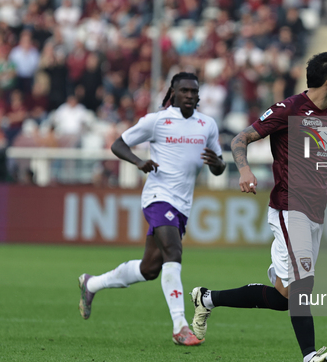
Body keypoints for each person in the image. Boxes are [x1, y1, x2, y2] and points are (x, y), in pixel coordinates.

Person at [189, 52, 327, 362]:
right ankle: (309, 358)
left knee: (282, 298)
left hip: (315, 212)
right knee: (304, 283)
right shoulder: (288, 109)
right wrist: (244, 168)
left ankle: (208, 298)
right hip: (290, 208)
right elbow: (240, 138)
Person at [78, 72, 226, 346]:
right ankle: (180, 326)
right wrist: (138, 162)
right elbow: (118, 144)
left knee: (149, 268)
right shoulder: (157, 121)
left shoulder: (207, 124)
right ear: (173, 92)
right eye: (185, 91)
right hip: (158, 197)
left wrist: (217, 164)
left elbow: (218, 167)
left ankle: (91, 284)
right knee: (173, 251)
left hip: (182, 204)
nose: (190, 96)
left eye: (194, 92)